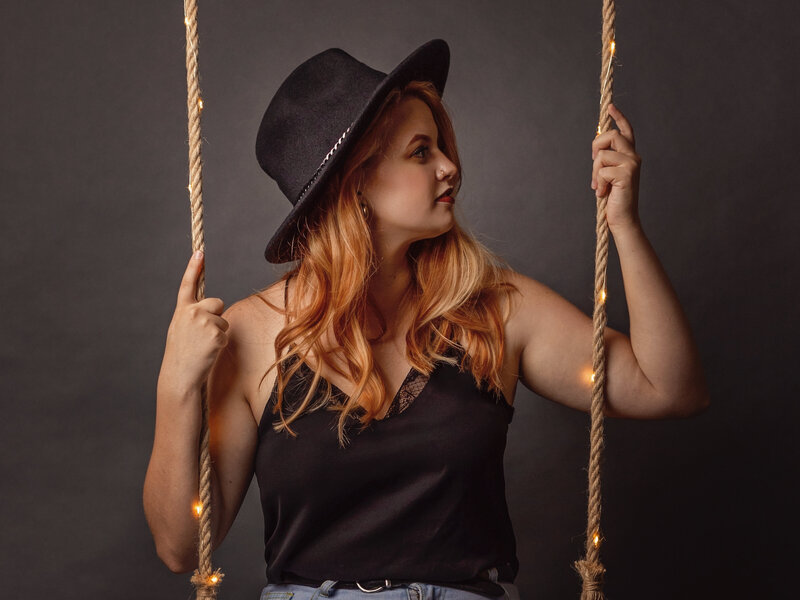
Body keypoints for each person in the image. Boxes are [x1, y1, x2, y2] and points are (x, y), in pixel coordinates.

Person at [143, 39, 710, 599]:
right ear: (355, 182)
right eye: (421, 152)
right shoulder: (250, 336)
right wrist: (175, 384)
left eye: (441, 146)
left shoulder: (496, 308)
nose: (449, 167)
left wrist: (626, 229)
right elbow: (181, 548)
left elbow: (669, 389)